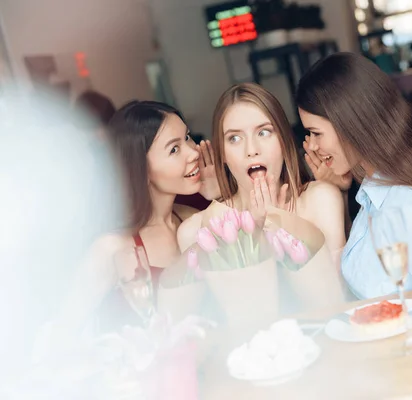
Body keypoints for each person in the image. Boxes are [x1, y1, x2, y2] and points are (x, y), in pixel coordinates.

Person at [296, 52, 412, 299]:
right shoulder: (373, 198)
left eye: (316, 133)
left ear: (348, 122)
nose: (313, 146)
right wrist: (339, 193)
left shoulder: (407, 207)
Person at [54, 101, 220, 334]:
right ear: (140, 168)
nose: (193, 152)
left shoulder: (192, 219)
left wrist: (218, 199)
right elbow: (61, 334)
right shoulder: (111, 248)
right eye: (174, 149)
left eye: (188, 137)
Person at [177, 83, 345, 262]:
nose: (251, 150)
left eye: (264, 132)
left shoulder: (321, 199)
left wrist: (278, 223)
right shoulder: (196, 232)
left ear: (284, 141)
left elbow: (337, 286)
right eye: (234, 138)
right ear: (222, 153)